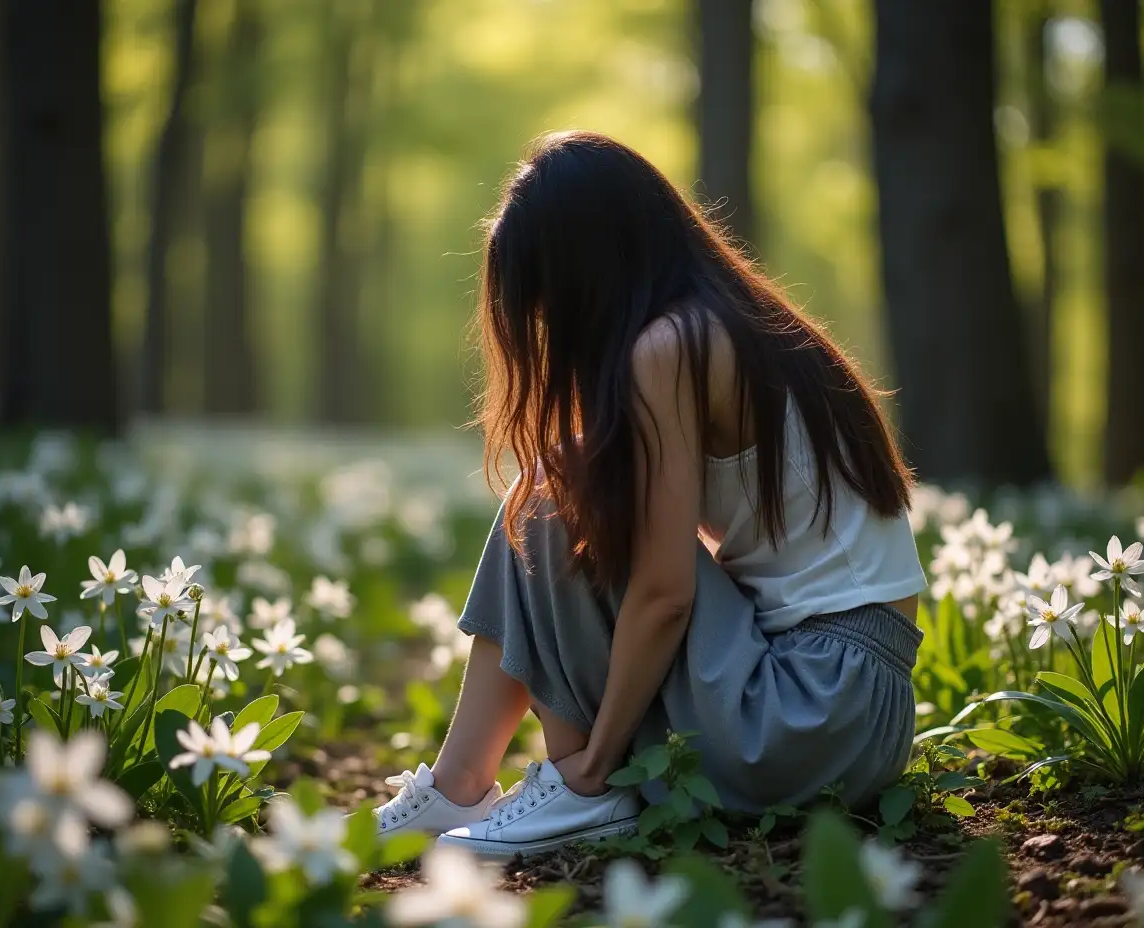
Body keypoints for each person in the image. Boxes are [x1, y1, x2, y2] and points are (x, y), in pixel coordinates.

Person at [373, 130, 927, 860]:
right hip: (856, 708)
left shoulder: (673, 347)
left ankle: (580, 784)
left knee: (552, 493)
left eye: (549, 305)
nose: (549, 328)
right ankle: (464, 781)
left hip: (814, 709)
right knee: (555, 480)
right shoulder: (735, 322)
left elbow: (667, 592)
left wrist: (602, 758)